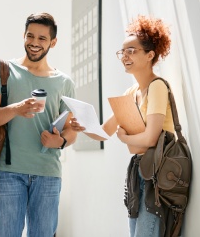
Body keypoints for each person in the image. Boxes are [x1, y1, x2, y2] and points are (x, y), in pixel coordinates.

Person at [70, 15, 173, 237]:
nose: (124, 56)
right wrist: (83, 125)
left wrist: (125, 138)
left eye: (131, 51)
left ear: (150, 55)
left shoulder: (157, 87)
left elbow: (151, 139)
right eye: (122, 52)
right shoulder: (130, 93)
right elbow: (103, 132)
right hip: (139, 173)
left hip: (158, 174)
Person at [0, 12, 77, 237]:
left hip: (48, 173)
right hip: (8, 172)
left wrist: (60, 141)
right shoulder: (3, 70)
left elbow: (70, 129)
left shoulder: (64, 83)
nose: (34, 43)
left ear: (53, 42)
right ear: (23, 36)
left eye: (42, 38)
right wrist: (16, 109)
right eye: (30, 36)